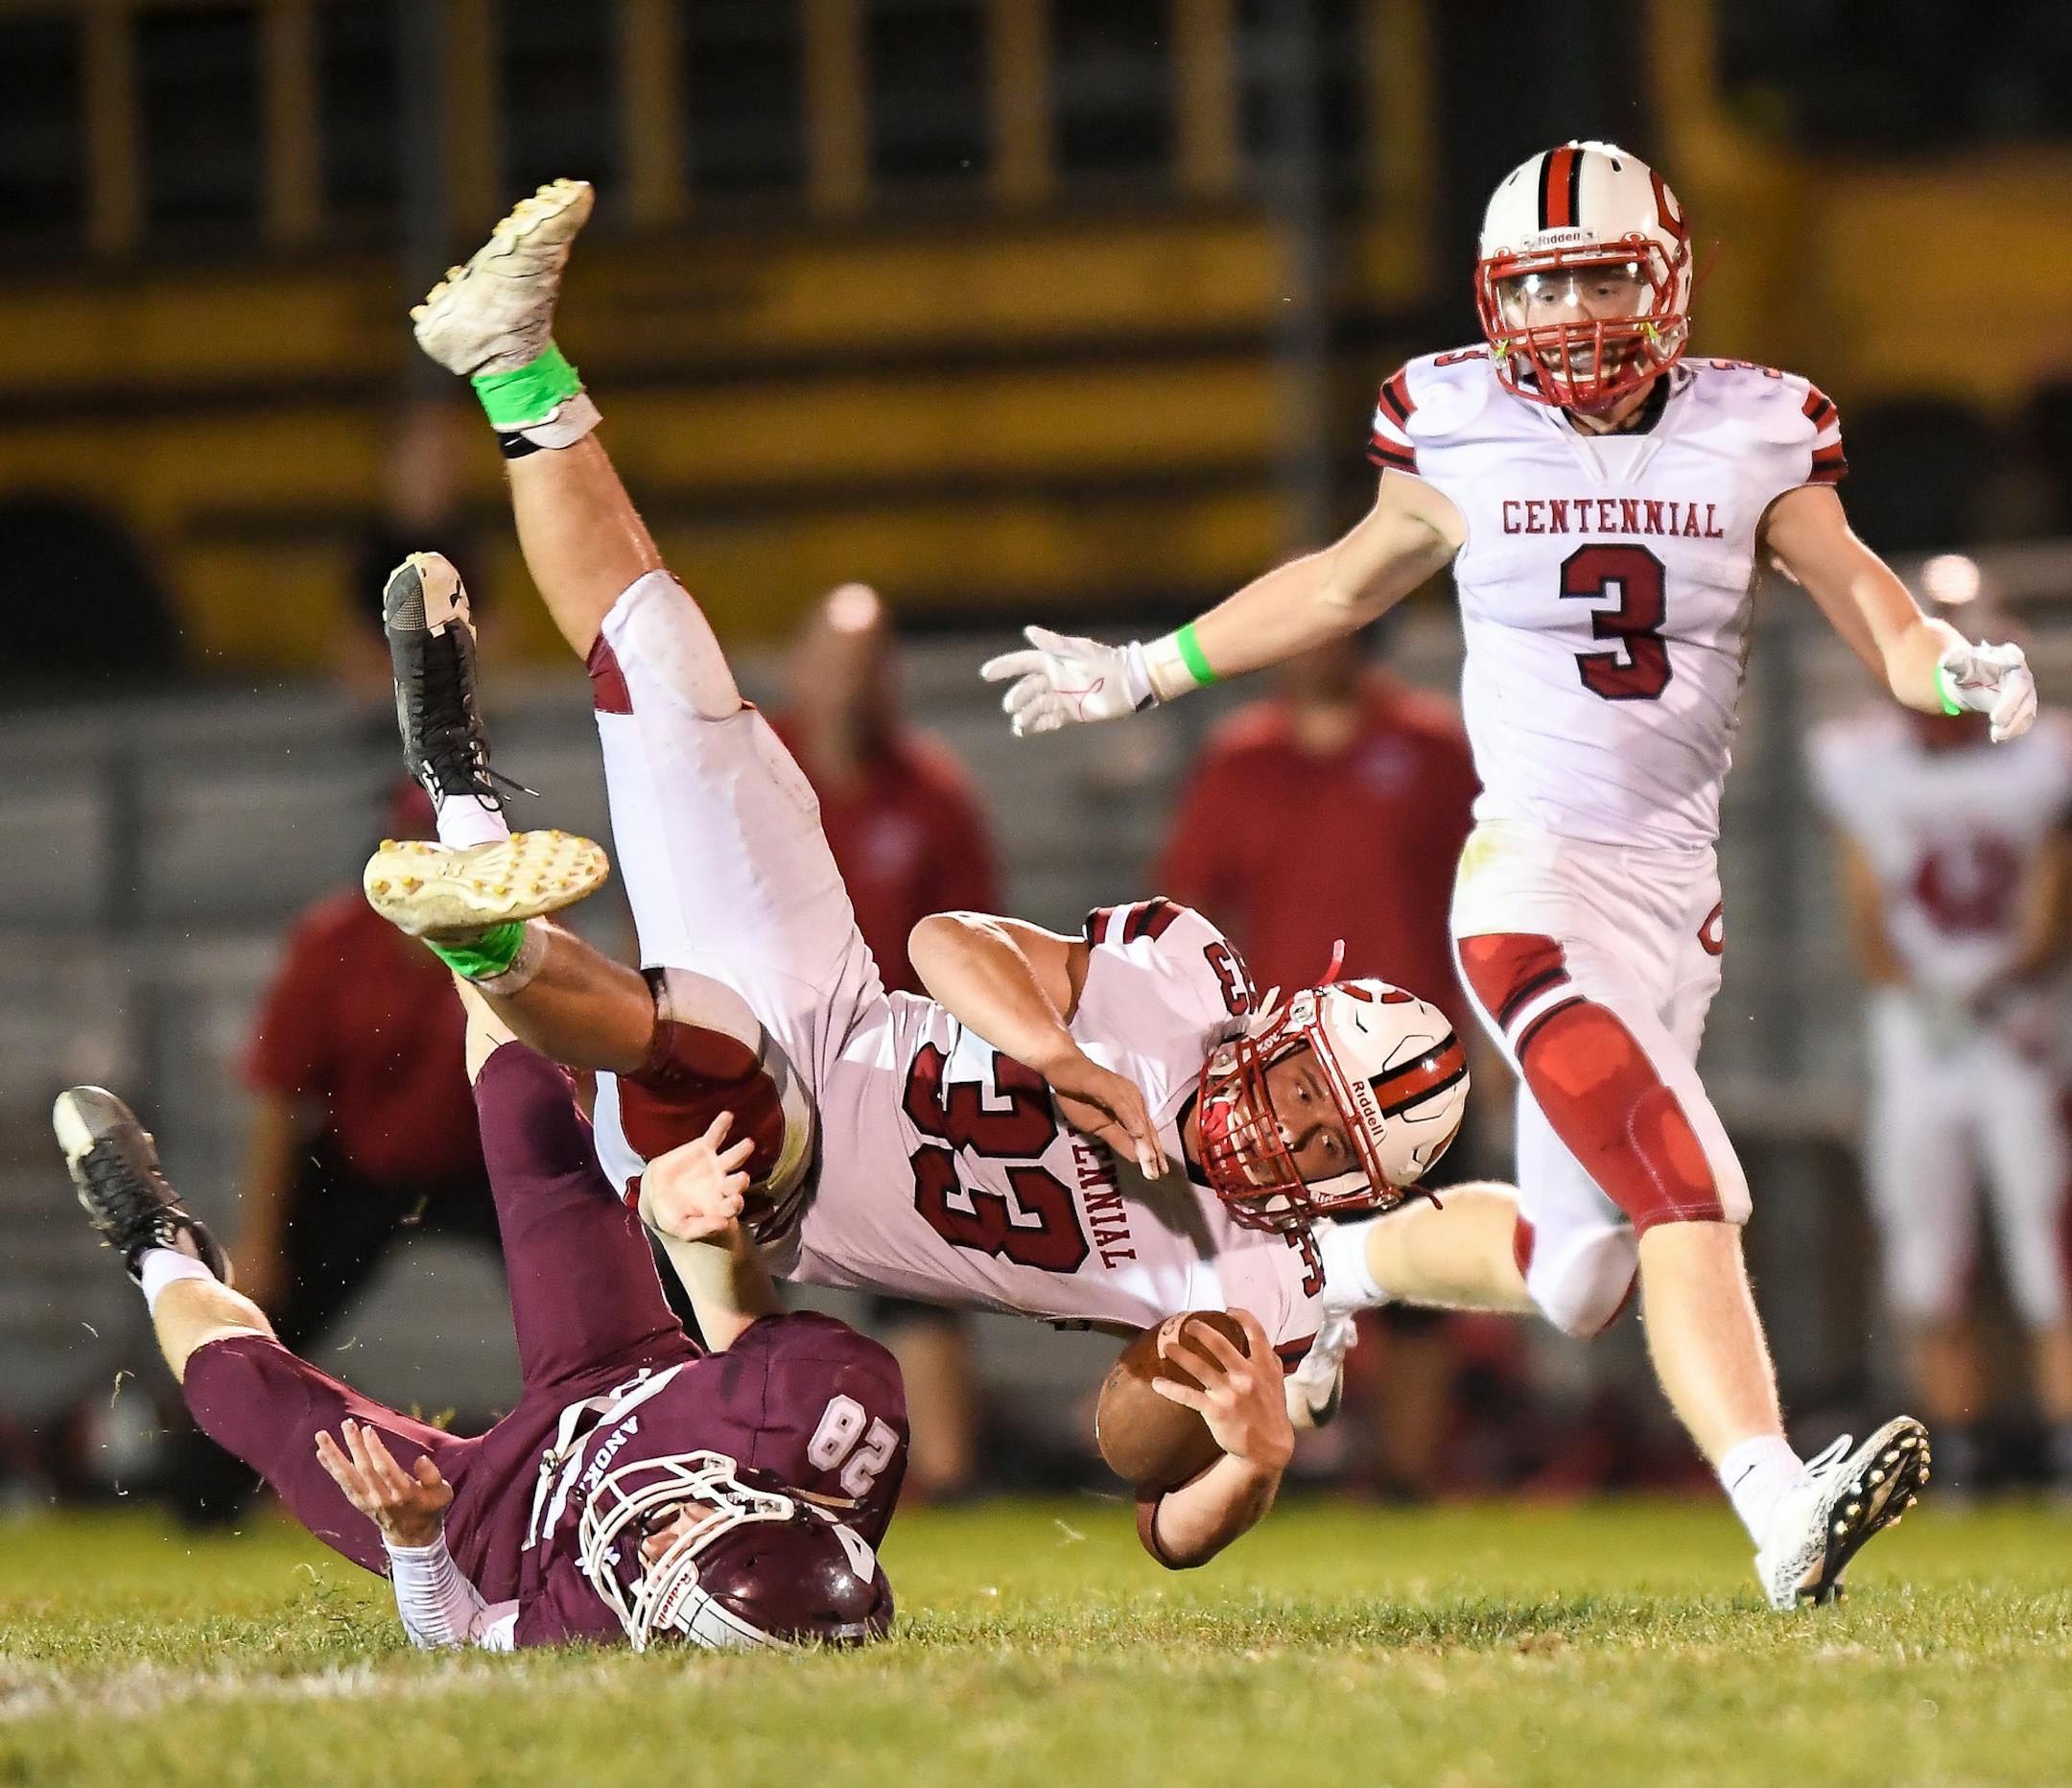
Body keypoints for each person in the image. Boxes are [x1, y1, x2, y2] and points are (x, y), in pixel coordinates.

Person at [357, 178, 1486, 1568]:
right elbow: (954, 940)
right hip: (835, 1002)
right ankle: (509, 364)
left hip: (775, 1183)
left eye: (1326, 1156)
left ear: (1338, 1200)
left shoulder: (1262, 1281)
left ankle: (492, 939)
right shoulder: (1188, 977)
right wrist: (1053, 1052)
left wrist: (1242, 1454)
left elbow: (1141, 1487)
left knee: (717, 1056)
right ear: (1288, 1030)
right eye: (1312, 1096)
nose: (1291, 1138)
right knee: (673, 679)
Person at [977, 140, 2001, 1605]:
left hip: (1670, 900)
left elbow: (1873, 608)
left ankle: (1331, 1275)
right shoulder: (1449, 419)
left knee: (1580, 1275)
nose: (1574, 314)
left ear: (1670, 276)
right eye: (1545, 284)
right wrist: (1146, 669)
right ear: (1491, 297)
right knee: (1681, 1174)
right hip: (1530, 886)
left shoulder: (1759, 429)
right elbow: (1341, 582)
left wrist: (1949, 670)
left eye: (1600, 275)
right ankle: (1781, 1506)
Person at [53, 986, 904, 1652]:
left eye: (671, 1561)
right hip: (623, 1373)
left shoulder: (583, 1626)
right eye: (708, 1523)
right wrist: (699, 1233)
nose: (663, 1530)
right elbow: (745, 1334)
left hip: (488, 1525)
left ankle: (156, 1246)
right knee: (530, 1113)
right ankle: (466, 809)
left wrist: (418, 1543)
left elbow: (455, 1636)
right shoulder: (827, 1424)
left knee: (240, 1394)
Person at [1158, 633, 1492, 1491]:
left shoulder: (1430, 749)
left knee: (1423, 1280)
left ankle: (1408, 1481)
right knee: (1262, 1275)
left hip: (1414, 1070)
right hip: (1283, 1085)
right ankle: (1265, 1471)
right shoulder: (1241, 761)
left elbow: (1487, 893)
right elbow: (1185, 909)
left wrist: (1491, 1039)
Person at [168, 779, 502, 1525]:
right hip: (359, 1169)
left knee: (592, 1290)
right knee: (266, 1317)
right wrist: (260, 1240)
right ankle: (198, 1497)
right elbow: (281, 1099)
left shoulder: (514, 932)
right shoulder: (333, 942)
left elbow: (564, 1078)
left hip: (483, 1164)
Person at [1810, 666, 2072, 1494]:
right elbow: (1863, 907)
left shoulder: (2046, 759)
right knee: (1927, 1249)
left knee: (2050, 1243)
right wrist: (1923, 995)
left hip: (2023, 1029)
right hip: (1919, 1037)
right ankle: (1958, 1457)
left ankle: (2060, 1447)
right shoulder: (1859, 761)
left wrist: (1990, 985)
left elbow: (2050, 901)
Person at [772, 582, 1002, 1499]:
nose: (848, 687)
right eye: (833, 662)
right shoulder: (758, 775)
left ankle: (942, 1475)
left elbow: (983, 946)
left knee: (918, 1276)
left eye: (866, 666)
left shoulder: (933, 795)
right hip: (764, 1069)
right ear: (800, 668)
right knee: (727, 1266)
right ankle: (730, 1457)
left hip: (892, 1082)